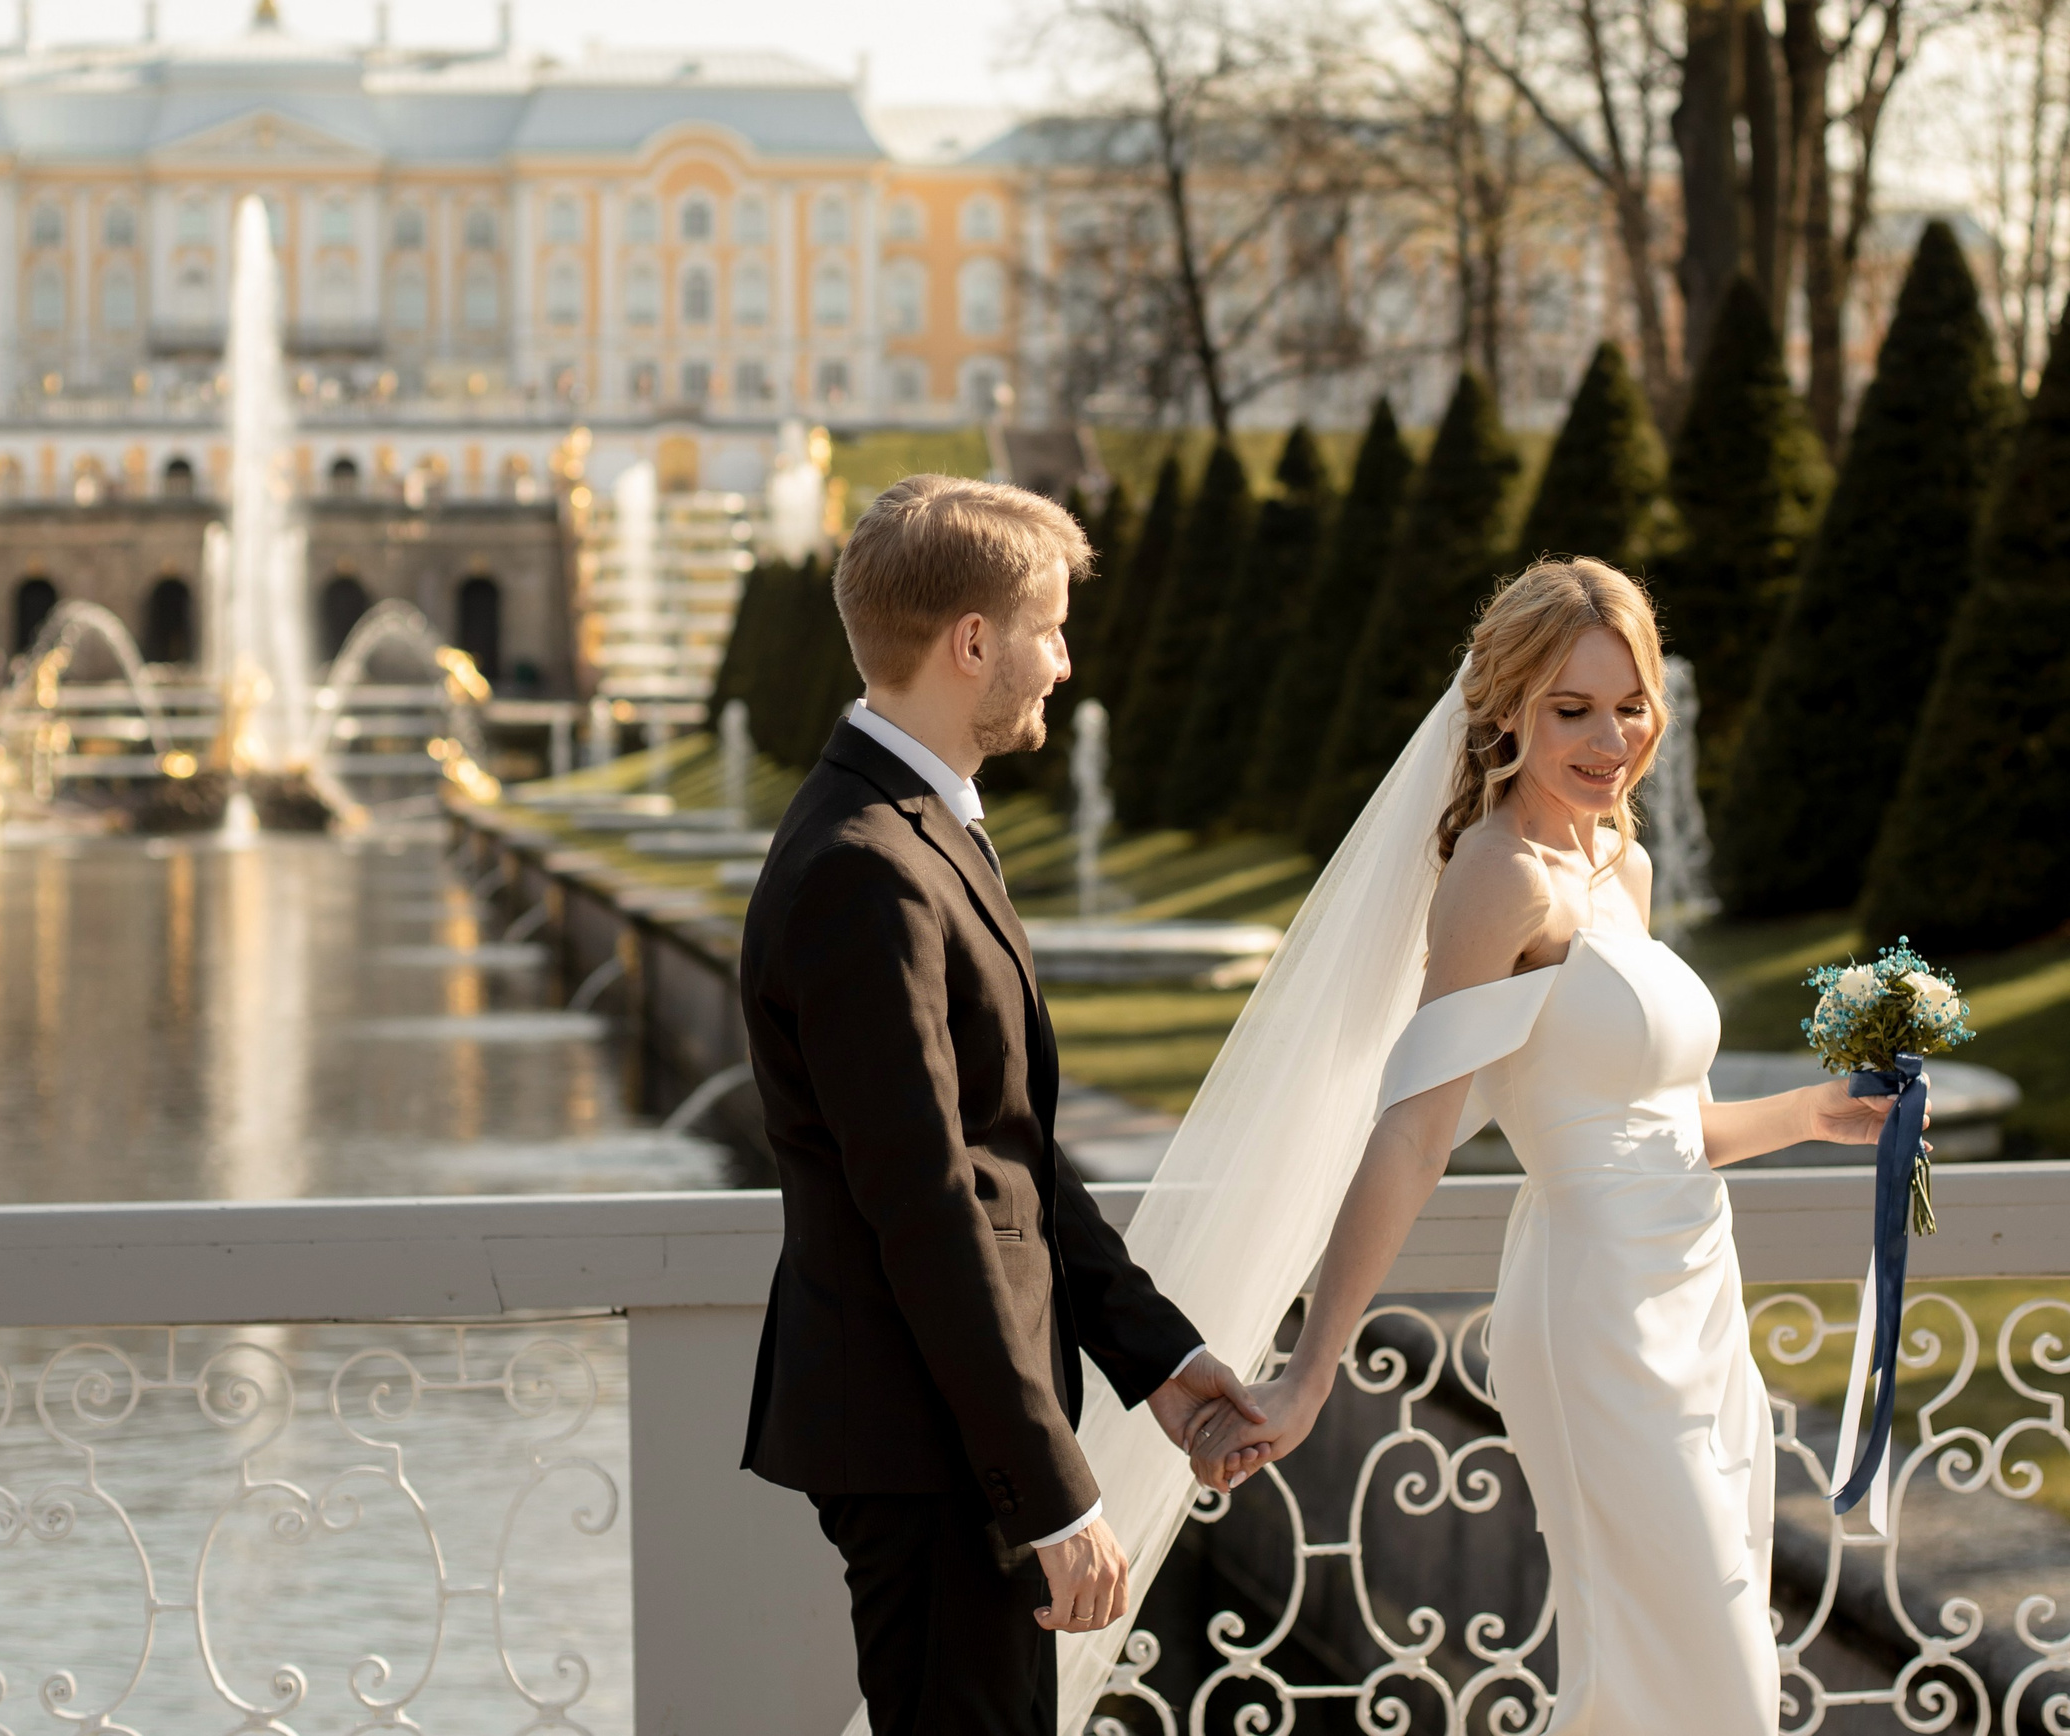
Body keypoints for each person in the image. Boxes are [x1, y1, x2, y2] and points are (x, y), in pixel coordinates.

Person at [1184, 560, 1905, 1732]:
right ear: (1507, 709)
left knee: (1672, 1682)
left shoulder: (1624, 865)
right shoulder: (1497, 878)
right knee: (1712, 1684)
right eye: (1572, 707)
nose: (1608, 736)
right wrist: (1313, 1367)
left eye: (1629, 705)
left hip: (1697, 1299)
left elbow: (1669, 1124)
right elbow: (1416, 1128)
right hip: (1593, 1319)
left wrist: (1815, 1114)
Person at [737, 474, 1265, 1736]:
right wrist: (1048, 1494)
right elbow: (925, 1208)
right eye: (1052, 625)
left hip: (951, 1437)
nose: (1067, 662)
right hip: (932, 1453)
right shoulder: (868, 869)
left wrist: (1165, 1365)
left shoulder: (920, 833)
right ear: (972, 642)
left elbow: (1007, 1156)